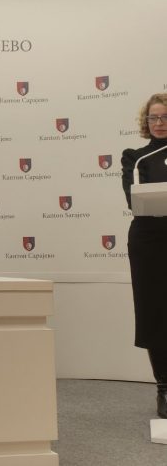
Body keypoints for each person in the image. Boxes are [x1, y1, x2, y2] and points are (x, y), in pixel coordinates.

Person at [121, 92, 167, 419]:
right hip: (149, 241)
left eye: (165, 117)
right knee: (155, 313)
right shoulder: (135, 158)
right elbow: (134, 200)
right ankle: (164, 388)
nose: (159, 123)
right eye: (154, 117)